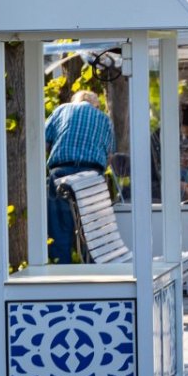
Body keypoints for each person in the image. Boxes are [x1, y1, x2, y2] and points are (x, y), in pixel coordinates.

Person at [45, 91, 115, 264]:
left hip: (60, 172)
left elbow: (44, 142)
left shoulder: (61, 110)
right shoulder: (104, 118)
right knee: (91, 230)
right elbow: (109, 155)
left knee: (59, 227)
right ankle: (92, 272)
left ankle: (62, 276)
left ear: (74, 101)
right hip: (91, 176)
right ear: (96, 105)